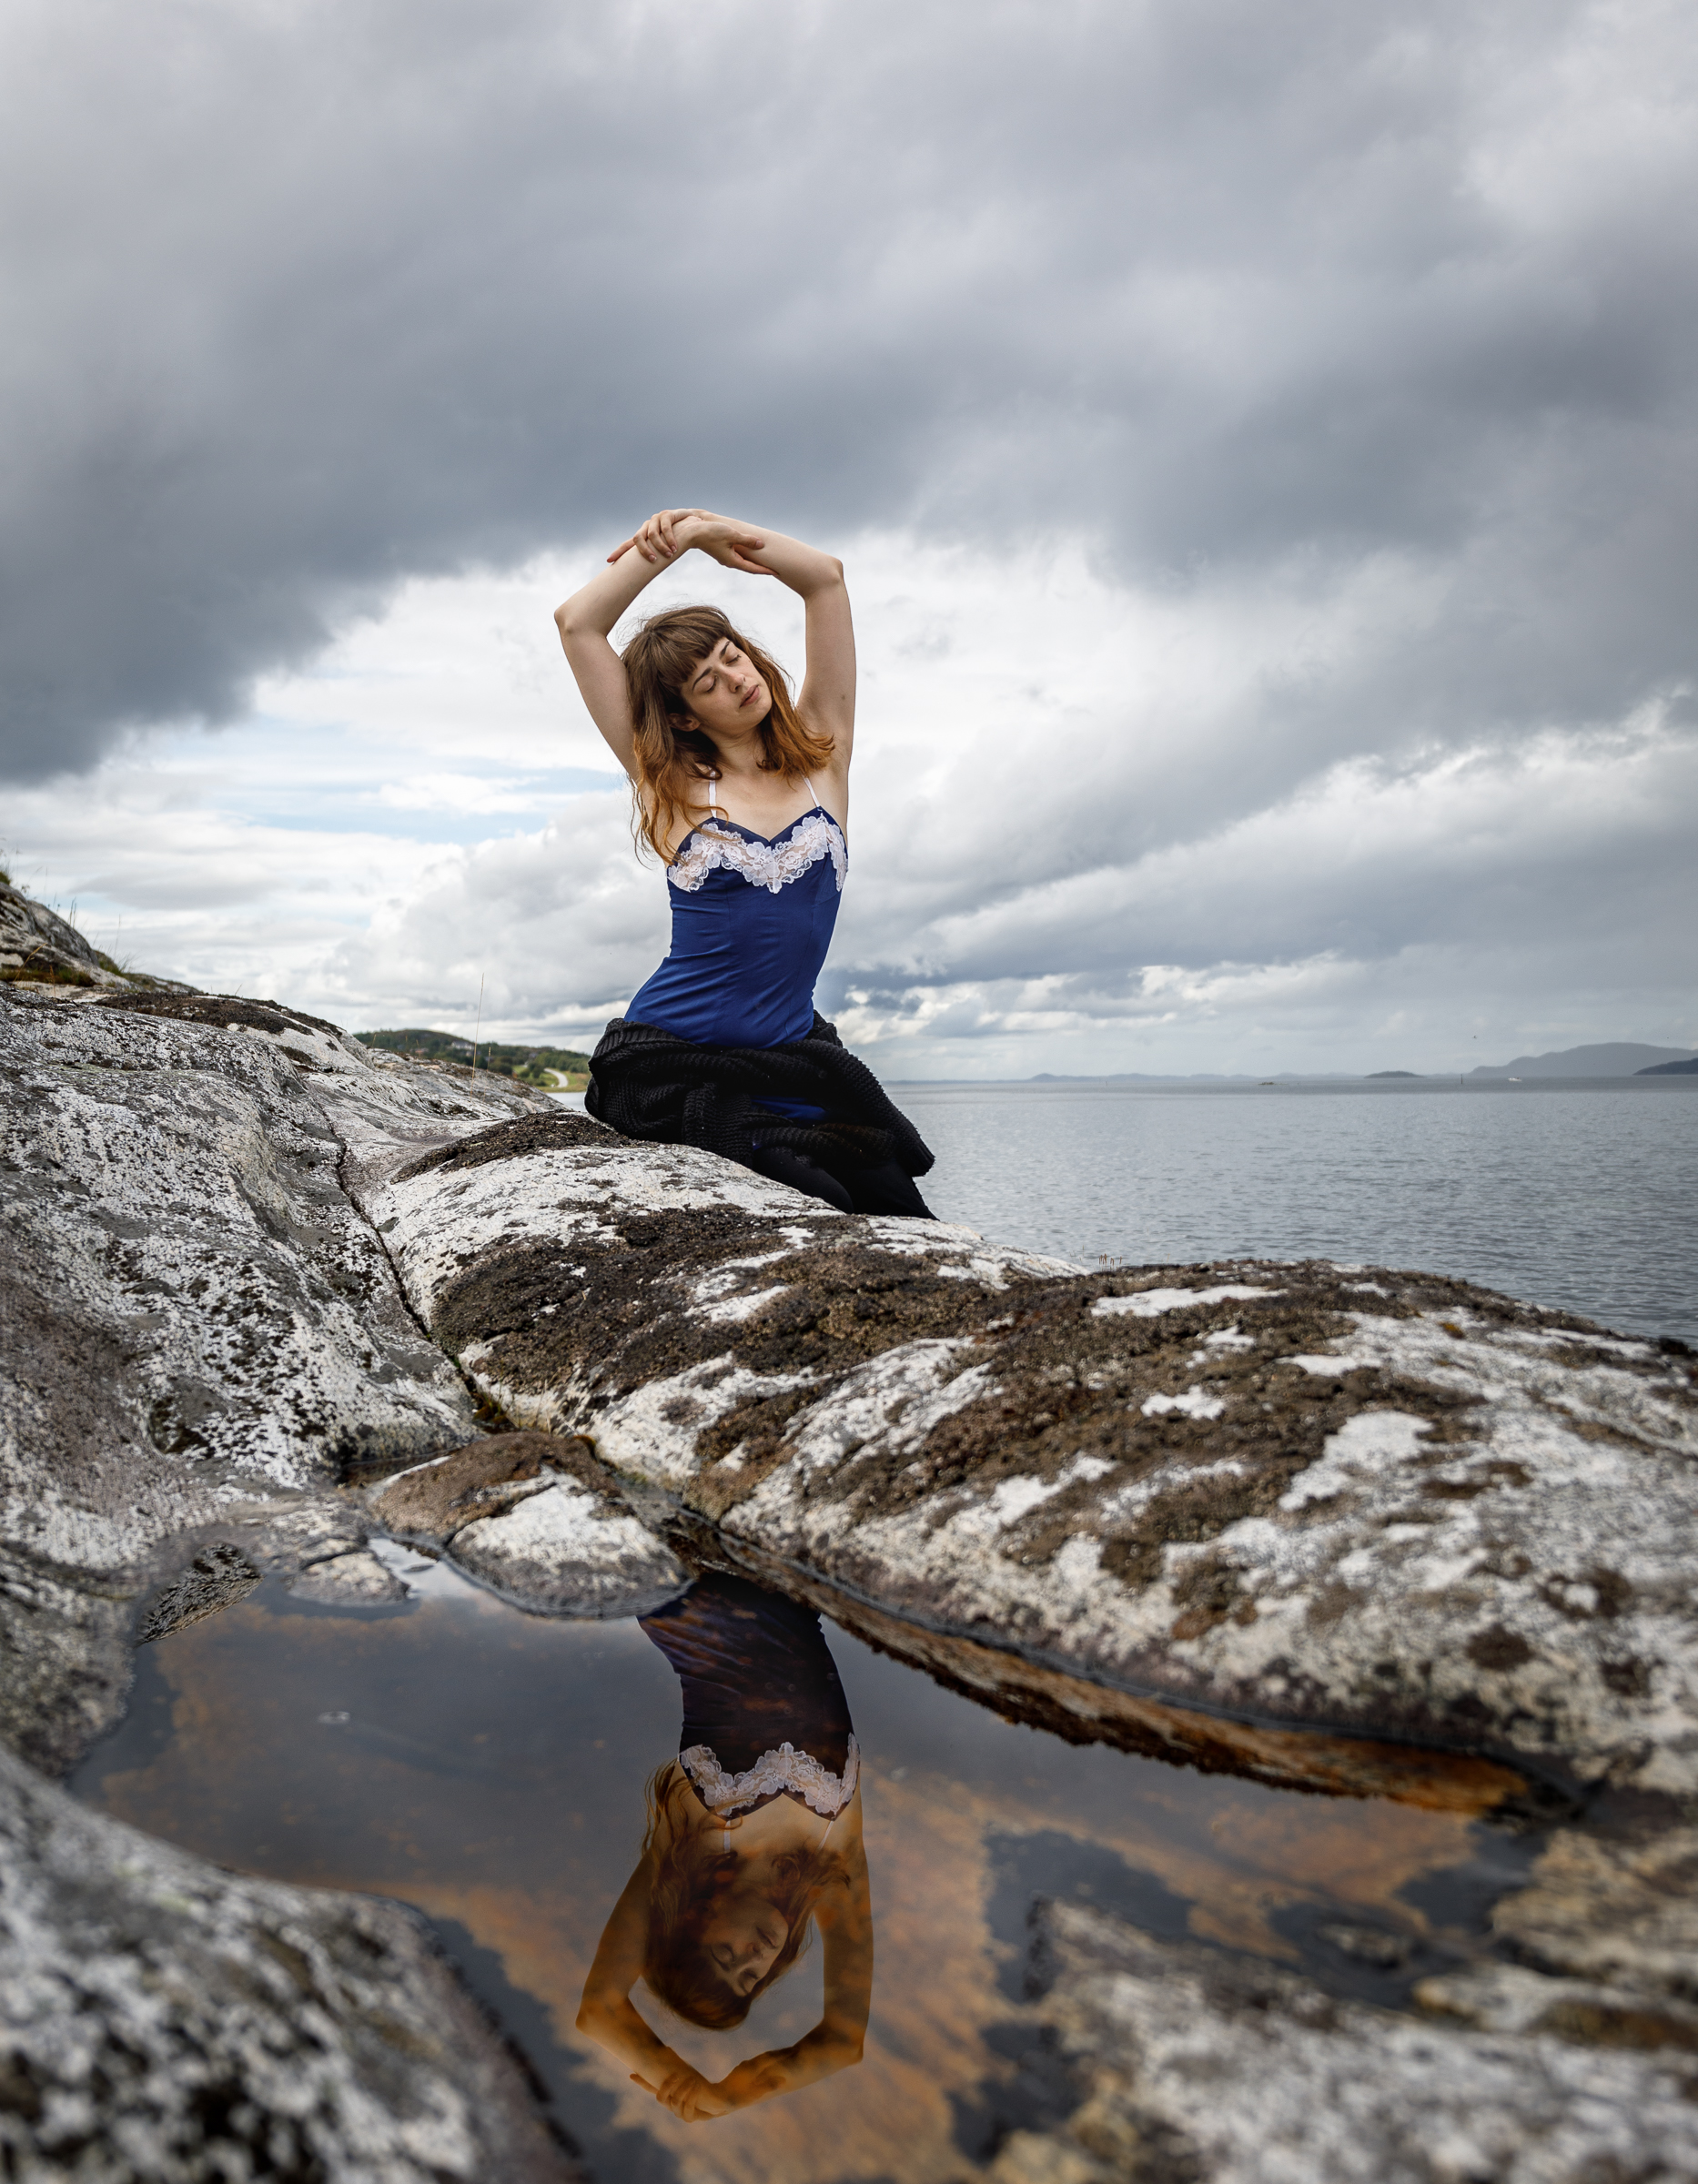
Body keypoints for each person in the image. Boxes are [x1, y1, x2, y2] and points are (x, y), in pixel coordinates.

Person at [553, 507, 935, 1216]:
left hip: (790, 1062)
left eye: (731, 654)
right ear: (685, 718)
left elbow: (824, 580)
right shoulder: (672, 790)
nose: (736, 677)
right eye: (706, 683)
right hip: (678, 1064)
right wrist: (671, 549)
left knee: (894, 1200)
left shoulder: (826, 756)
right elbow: (577, 625)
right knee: (815, 1201)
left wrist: (707, 528)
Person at [576, 1572, 874, 2123]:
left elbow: (598, 2011)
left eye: (725, 1955)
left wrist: (679, 2082)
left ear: (697, 1920)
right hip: (781, 1582)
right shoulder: (836, 1869)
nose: (754, 1958)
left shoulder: (695, 1842)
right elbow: (843, 2041)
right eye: (749, 1978)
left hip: (681, 1592)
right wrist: (731, 2095)